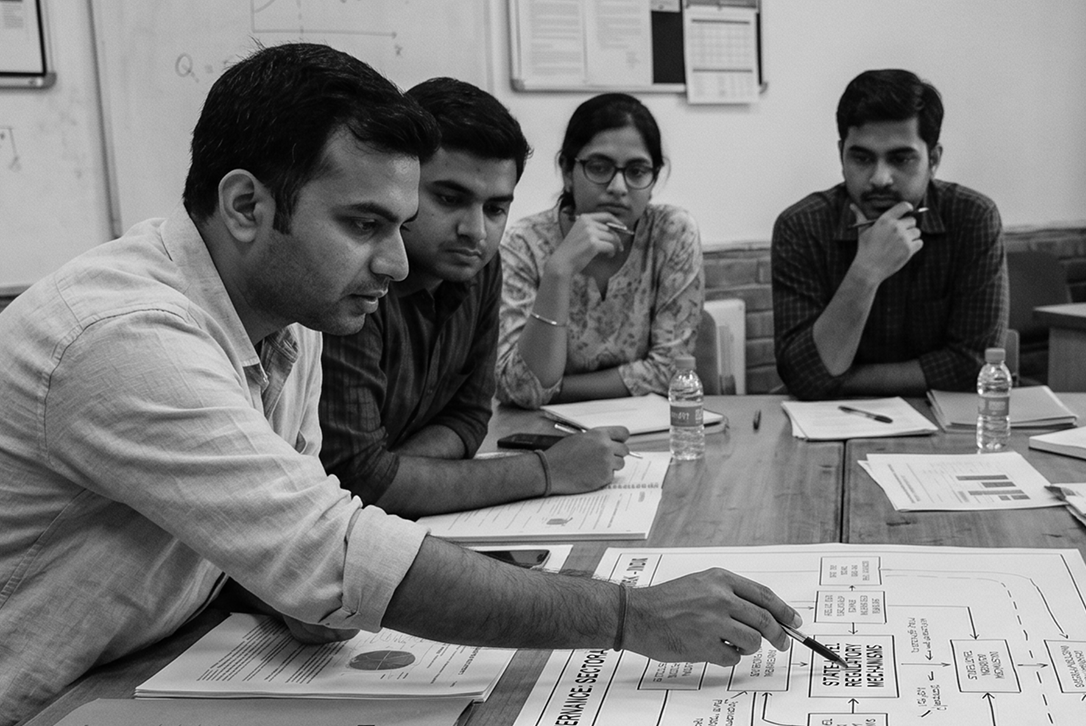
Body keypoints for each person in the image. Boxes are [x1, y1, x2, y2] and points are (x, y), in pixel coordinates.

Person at [0, 43, 799, 725]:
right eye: (362, 225)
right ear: (245, 204)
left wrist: (283, 589)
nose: (394, 261)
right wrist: (628, 614)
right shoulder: (126, 334)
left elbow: (300, 532)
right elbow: (331, 542)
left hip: (146, 664)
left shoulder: (290, 317)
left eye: (397, 222)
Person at [319, 77, 629, 517]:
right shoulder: (356, 278)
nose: (476, 231)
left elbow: (468, 418)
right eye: (449, 198)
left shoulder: (481, 267)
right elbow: (359, 481)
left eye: (496, 208)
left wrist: (397, 471)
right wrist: (546, 471)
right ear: (400, 183)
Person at [772, 69, 1007, 400]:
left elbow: (972, 365)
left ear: (934, 159)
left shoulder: (972, 218)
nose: (880, 178)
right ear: (842, 156)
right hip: (829, 429)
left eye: (901, 158)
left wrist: (839, 380)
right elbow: (803, 375)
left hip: (946, 426)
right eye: (862, 157)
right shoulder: (801, 226)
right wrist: (866, 273)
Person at [495, 93, 704, 409]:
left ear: (653, 180)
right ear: (567, 171)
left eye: (636, 171)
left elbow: (669, 371)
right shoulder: (524, 244)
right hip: (544, 436)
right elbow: (518, 388)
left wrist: (553, 390)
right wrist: (559, 270)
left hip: (649, 430)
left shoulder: (671, 234)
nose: (619, 187)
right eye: (599, 166)